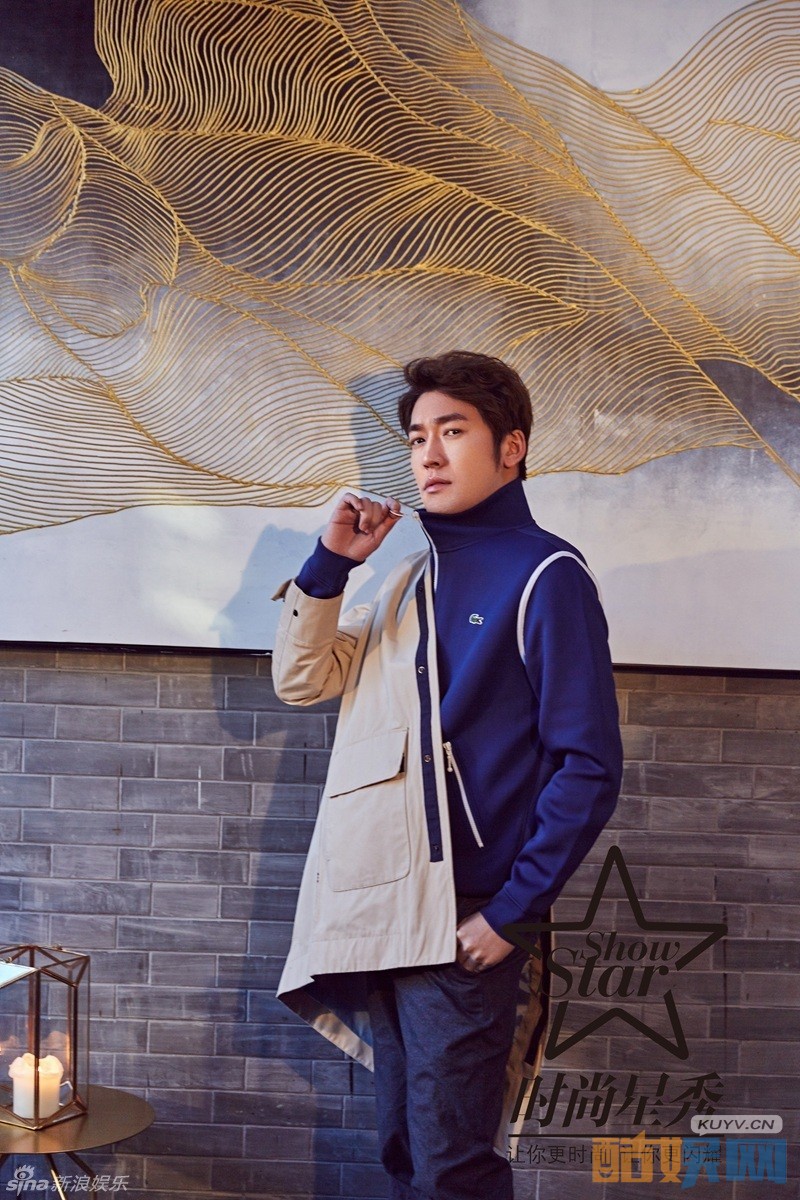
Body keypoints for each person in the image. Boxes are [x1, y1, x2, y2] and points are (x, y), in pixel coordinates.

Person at [271, 350, 623, 1199]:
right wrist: (330, 565)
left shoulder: (548, 575)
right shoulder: (407, 577)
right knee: (404, 1150)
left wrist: (511, 912)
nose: (428, 454)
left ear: (512, 448)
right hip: (386, 906)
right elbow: (302, 680)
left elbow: (588, 764)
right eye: (417, 437)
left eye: (453, 431)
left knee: (452, 1167)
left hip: (466, 918)